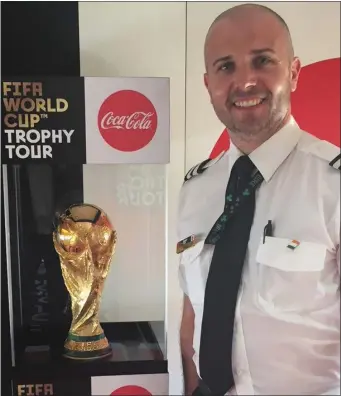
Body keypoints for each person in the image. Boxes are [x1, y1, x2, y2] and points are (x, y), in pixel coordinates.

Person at [177, 3, 340, 396]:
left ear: (294, 72)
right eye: (226, 66)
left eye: (263, 61)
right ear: (208, 84)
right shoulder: (195, 189)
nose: (245, 81)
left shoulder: (332, 186)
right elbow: (192, 312)